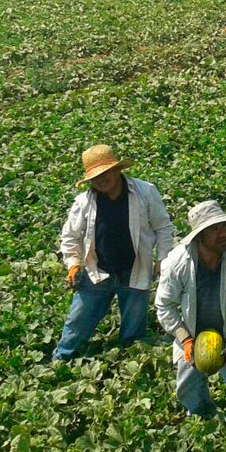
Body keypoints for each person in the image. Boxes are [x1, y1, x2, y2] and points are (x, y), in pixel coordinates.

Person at [155, 200, 226, 444]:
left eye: (224, 226)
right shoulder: (177, 262)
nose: (223, 233)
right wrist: (185, 339)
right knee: (187, 388)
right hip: (192, 336)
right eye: (214, 229)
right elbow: (164, 305)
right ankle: (203, 423)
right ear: (199, 236)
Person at [54, 145, 175, 360]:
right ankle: (60, 359)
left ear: (117, 170)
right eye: (95, 176)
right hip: (97, 272)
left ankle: (130, 365)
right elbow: (70, 236)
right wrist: (73, 264)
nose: (101, 179)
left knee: (134, 331)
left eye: (105, 173)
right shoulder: (84, 202)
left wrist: (162, 259)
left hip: (135, 270)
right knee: (78, 321)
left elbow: (163, 228)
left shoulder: (144, 192)